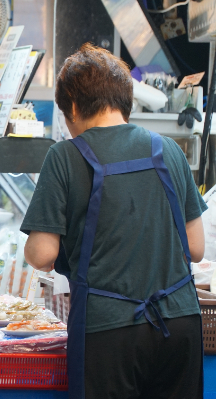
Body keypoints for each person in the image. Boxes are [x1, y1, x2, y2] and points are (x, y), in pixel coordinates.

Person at [21, 43, 205, 399]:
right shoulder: (168, 150)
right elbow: (195, 248)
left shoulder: (64, 156)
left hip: (109, 330)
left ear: (71, 107)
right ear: (126, 100)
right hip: (180, 323)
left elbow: (42, 254)